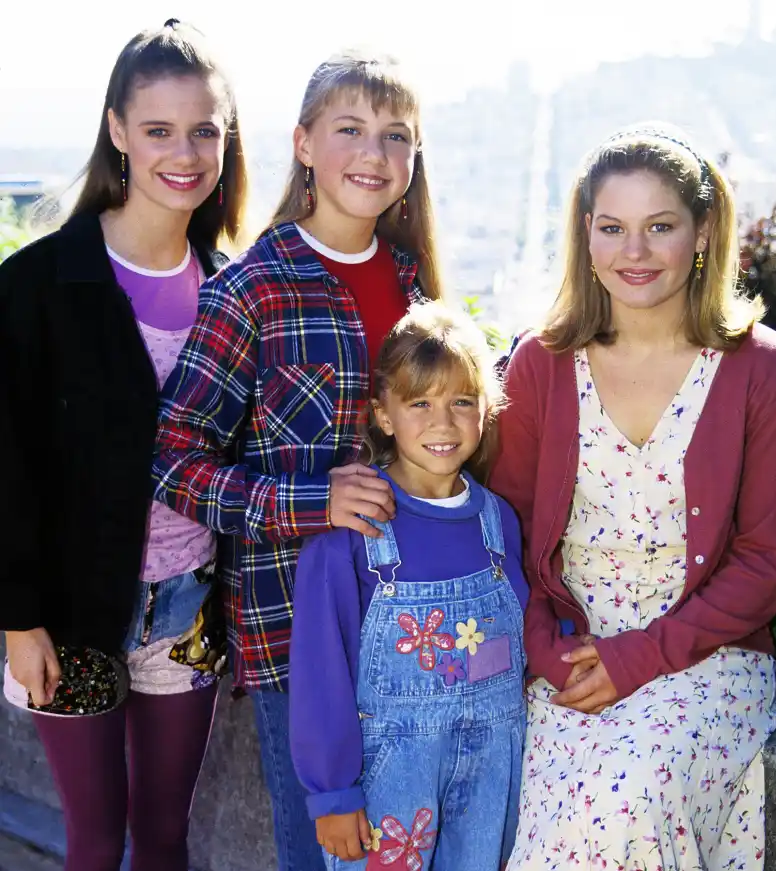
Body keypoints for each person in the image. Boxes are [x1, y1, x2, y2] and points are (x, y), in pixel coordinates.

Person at [152, 50, 444, 870]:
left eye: (397, 136)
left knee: (410, 848)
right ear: (305, 144)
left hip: (417, 627)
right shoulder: (252, 290)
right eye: (350, 129)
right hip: (296, 638)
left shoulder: (420, 290)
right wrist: (308, 500)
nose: (374, 154)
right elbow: (173, 462)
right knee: (324, 854)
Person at [490, 123, 776, 870]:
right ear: (586, 239)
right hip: (566, 654)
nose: (635, 252)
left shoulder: (763, 371)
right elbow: (507, 526)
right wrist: (543, 650)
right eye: (613, 228)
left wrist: (640, 656)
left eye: (660, 226)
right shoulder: (540, 363)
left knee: (632, 794)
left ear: (702, 234)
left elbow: (768, 561)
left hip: (706, 659)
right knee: (549, 814)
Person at [0, 19, 247, 871]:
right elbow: (7, 466)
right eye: (158, 130)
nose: (184, 153)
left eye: (204, 130)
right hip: (71, 616)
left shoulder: (230, 290)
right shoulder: (38, 285)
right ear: (116, 131)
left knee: (167, 839)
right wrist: (18, 618)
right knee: (97, 842)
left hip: (190, 608)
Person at [290, 301, 527, 870]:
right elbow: (320, 672)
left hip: (491, 775)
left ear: (485, 411)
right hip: (390, 785)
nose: (442, 424)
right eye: (419, 403)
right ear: (384, 414)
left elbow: (522, 638)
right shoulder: (352, 533)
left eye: (461, 402)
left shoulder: (498, 521)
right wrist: (332, 792)